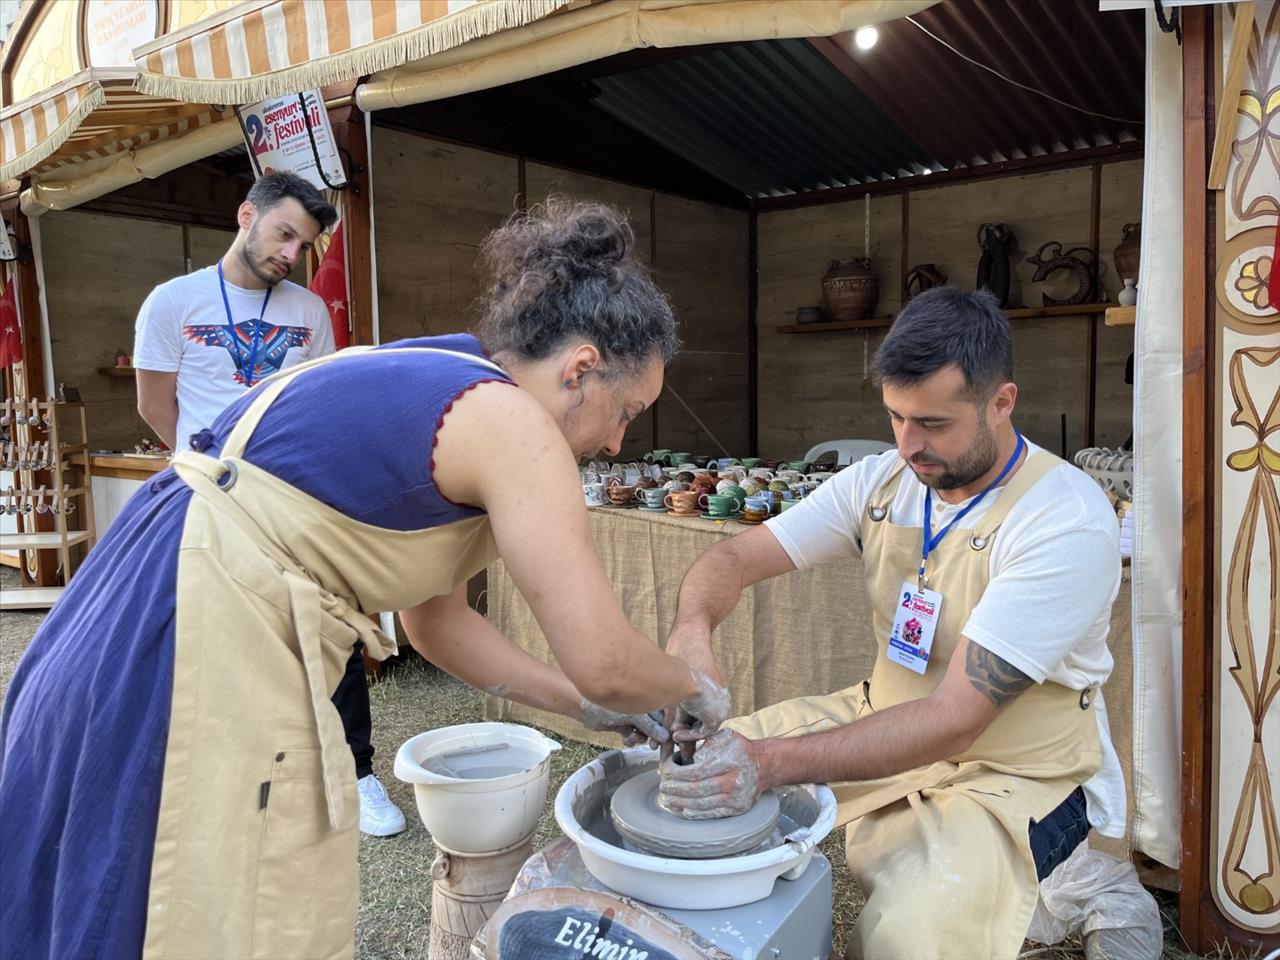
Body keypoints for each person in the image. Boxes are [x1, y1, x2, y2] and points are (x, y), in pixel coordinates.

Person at [0, 198, 727, 960]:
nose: (616, 443)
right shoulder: (512, 422)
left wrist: (586, 707)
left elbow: (435, 624)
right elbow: (607, 659)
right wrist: (691, 687)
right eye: (626, 411)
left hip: (146, 584)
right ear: (579, 369)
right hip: (197, 610)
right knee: (202, 891)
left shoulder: (453, 378)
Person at [660, 287, 1125, 959]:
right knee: (688, 783)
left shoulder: (1064, 518)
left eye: (933, 423)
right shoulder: (883, 482)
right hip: (882, 711)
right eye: (896, 418)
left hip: (1014, 769)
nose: (909, 445)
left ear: (1001, 402)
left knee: (909, 940)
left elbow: (955, 720)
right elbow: (731, 559)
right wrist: (690, 636)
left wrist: (768, 764)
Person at [131, 171, 405, 838]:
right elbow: (152, 402)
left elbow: (321, 397)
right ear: (246, 214)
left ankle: (356, 773)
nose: (291, 252)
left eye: (303, 243)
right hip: (205, 498)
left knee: (330, 628)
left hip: (293, 494)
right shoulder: (172, 302)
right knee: (213, 637)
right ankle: (228, 780)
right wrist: (204, 466)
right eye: (283, 233)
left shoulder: (307, 310)